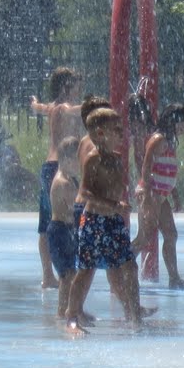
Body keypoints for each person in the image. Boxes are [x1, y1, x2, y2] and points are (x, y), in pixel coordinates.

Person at [63, 106, 148, 333]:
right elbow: (85, 193)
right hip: (94, 222)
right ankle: (72, 316)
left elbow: (116, 186)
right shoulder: (93, 159)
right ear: (100, 134)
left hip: (114, 222)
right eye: (116, 129)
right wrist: (113, 205)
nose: (122, 133)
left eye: (121, 128)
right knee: (86, 270)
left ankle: (134, 315)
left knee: (129, 266)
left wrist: (128, 197)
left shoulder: (118, 158)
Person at [30, 67, 83, 289]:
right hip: (59, 169)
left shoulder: (51, 107)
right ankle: (63, 272)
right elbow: (77, 110)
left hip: (48, 167)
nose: (79, 89)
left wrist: (34, 103)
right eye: (76, 85)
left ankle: (48, 275)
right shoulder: (64, 107)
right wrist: (97, 106)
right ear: (65, 87)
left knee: (47, 223)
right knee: (63, 219)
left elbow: (38, 108)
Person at [134, 101, 184, 289]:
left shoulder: (169, 142)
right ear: (173, 121)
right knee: (144, 237)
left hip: (161, 196)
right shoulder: (158, 139)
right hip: (151, 193)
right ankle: (120, 268)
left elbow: (168, 171)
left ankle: (174, 279)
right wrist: (147, 194)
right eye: (183, 124)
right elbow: (146, 167)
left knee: (171, 234)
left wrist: (174, 195)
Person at [47, 134, 82, 325]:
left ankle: (73, 309)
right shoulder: (63, 183)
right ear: (67, 160)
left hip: (67, 230)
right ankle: (63, 311)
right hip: (59, 231)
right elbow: (75, 209)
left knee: (71, 274)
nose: (81, 164)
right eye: (78, 160)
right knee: (67, 275)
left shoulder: (70, 179)